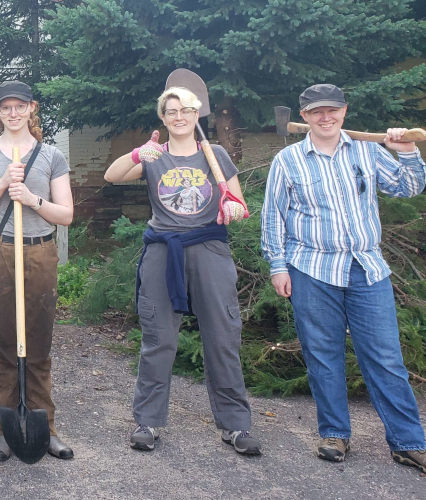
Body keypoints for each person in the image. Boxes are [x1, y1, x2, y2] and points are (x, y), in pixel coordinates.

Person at [261, 84, 426, 470]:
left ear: (344, 111)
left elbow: (410, 187)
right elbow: (273, 217)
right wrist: (278, 266)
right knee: (323, 355)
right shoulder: (288, 160)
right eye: (316, 111)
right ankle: (334, 433)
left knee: (385, 357)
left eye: (332, 110)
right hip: (311, 270)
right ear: (304, 116)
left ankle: (408, 441)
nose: (325, 117)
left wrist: (406, 151)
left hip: (367, 269)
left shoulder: (368, 152)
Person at [103, 86, 260, 456]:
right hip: (163, 250)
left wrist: (234, 208)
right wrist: (138, 152)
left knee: (222, 337)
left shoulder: (215, 154)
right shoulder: (155, 155)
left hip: (209, 249)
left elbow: (237, 202)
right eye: (171, 111)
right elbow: (112, 175)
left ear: (196, 115)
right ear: (163, 117)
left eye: (185, 110)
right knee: (159, 338)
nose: (178, 117)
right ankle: (148, 422)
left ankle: (236, 426)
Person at [0, 81, 75, 462]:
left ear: (31, 108)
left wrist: (31, 197)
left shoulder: (52, 156)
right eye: (5, 107)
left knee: (39, 343)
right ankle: (4, 431)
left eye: (20, 106)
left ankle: (48, 430)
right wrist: (2, 184)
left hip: (40, 251)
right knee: (6, 343)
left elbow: (67, 215)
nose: (13, 113)